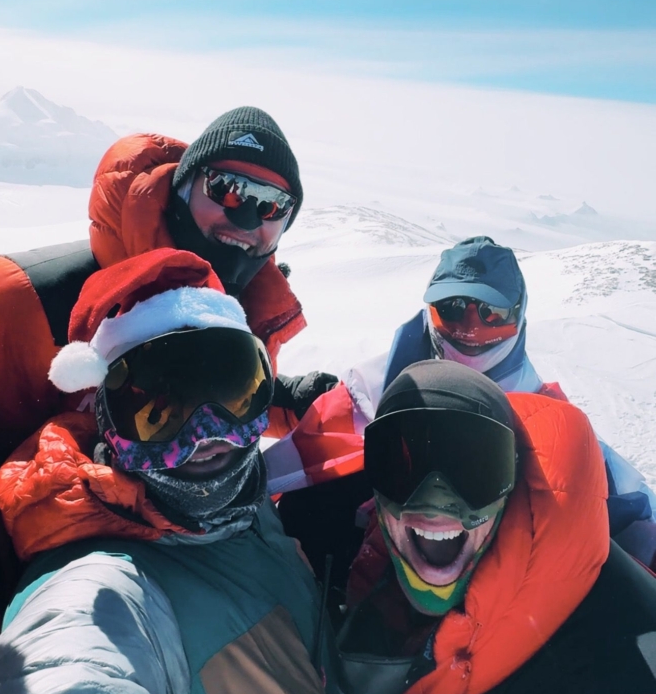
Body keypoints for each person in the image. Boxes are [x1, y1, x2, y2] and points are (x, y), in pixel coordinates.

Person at [0, 248, 370, 694]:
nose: (207, 437)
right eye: (158, 412)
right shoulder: (107, 596)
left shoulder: (247, 513)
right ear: (104, 420)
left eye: (231, 392)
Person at [337, 359, 656, 694]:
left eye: (475, 469)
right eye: (401, 466)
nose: (435, 503)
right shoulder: (382, 597)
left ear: (513, 486)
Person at [267, 236, 656, 575]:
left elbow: (619, 502)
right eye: (452, 309)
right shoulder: (370, 392)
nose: (470, 329)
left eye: (492, 314)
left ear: (519, 319)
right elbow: (305, 454)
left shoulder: (546, 422)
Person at [0, 105, 334, 465]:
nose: (247, 217)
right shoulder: (22, 299)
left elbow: (198, 394)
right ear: (183, 189)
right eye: (227, 189)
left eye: (272, 205)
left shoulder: (246, 305)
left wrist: (295, 399)